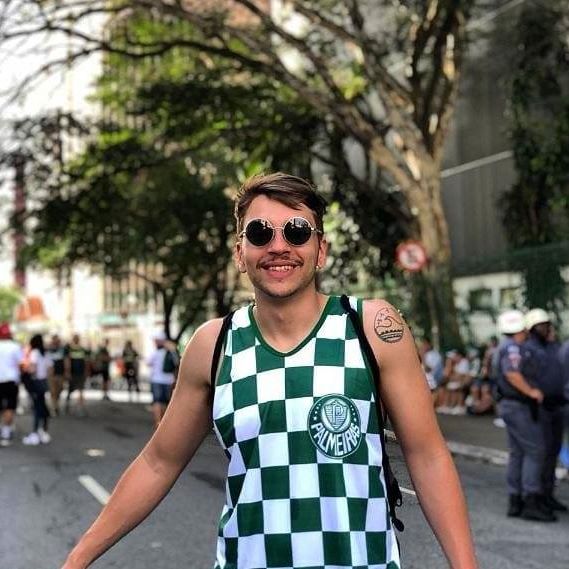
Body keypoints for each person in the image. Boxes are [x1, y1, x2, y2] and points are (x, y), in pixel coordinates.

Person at [61, 173, 477, 569]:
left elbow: (427, 455)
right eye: (260, 233)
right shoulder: (213, 345)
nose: (279, 246)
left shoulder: (370, 327)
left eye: (297, 231)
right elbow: (159, 462)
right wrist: (78, 558)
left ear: (321, 249)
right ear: (240, 253)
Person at [495, 309, 554, 521]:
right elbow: (512, 374)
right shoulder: (513, 347)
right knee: (535, 450)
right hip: (518, 406)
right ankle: (531, 500)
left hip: (509, 405)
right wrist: (532, 392)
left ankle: (515, 499)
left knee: (518, 452)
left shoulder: (504, 345)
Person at [522, 308, 567, 514]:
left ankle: (548, 494)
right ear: (532, 328)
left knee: (553, 452)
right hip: (539, 408)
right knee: (540, 452)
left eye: (547, 324)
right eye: (541, 325)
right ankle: (535, 496)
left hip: (558, 405)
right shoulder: (528, 349)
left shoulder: (554, 346)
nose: (546, 328)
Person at [22, 334, 52, 445]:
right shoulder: (46, 353)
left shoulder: (35, 353)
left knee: (37, 408)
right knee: (42, 406)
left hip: (36, 382)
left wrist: (26, 370)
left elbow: (32, 369)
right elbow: (50, 369)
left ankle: (35, 432)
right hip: (43, 382)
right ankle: (43, 430)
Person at [146, 331, 178, 428]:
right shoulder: (170, 352)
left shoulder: (155, 353)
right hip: (169, 381)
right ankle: (163, 423)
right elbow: (177, 362)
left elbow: (148, 363)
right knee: (166, 402)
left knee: (157, 402)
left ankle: (158, 422)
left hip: (156, 380)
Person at [0, 322, 23, 447]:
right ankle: (5, 433)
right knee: (9, 407)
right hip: (11, 381)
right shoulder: (15, 346)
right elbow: (21, 363)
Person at [64, 334, 90, 416]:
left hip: (80, 373)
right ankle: (67, 405)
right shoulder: (69, 349)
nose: (76, 340)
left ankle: (80, 408)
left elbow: (85, 361)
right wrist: (67, 372)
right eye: (75, 338)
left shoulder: (82, 349)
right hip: (72, 373)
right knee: (70, 390)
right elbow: (67, 361)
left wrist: (86, 371)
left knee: (81, 390)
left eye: (77, 338)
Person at [46, 334, 66, 415]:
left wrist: (67, 371)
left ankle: (56, 403)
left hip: (60, 373)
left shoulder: (63, 349)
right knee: (53, 391)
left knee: (60, 389)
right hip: (51, 374)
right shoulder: (48, 350)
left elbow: (66, 360)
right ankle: (54, 407)